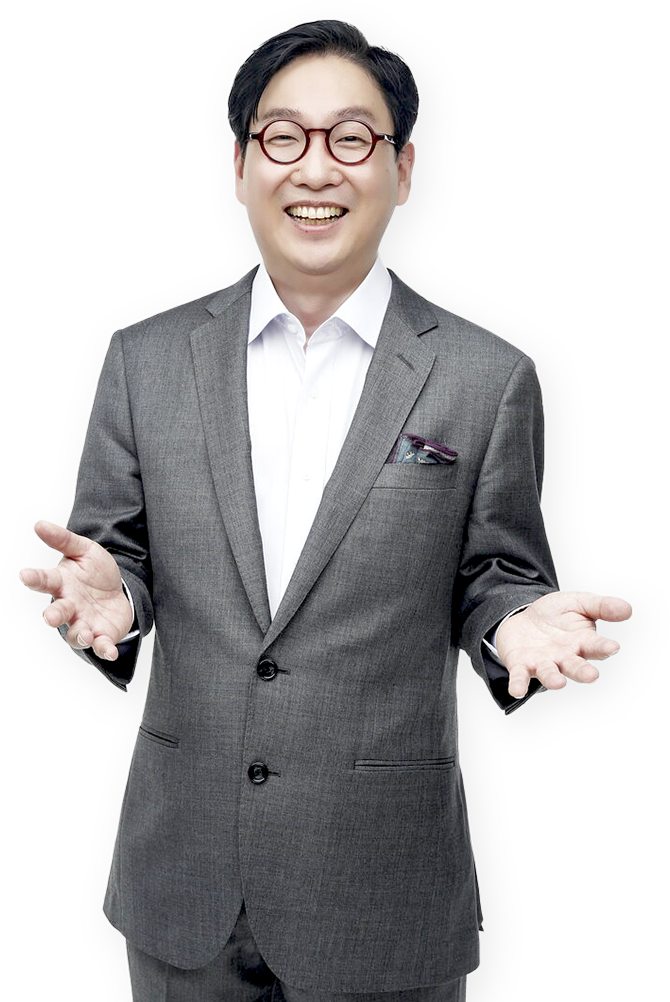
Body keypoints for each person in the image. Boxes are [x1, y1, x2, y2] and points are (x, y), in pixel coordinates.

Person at [17, 18, 632, 1002]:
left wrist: (513, 621)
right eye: (282, 136)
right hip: (183, 880)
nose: (315, 168)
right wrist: (116, 601)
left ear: (402, 167)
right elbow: (116, 554)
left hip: (383, 889)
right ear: (239, 164)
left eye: (351, 138)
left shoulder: (486, 377)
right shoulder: (144, 360)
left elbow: (497, 575)